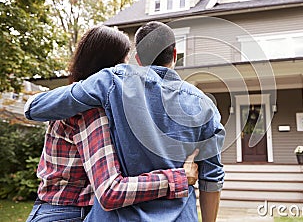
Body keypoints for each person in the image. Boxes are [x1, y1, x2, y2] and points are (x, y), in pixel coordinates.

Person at [25, 22, 225, 222]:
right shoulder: (206, 106)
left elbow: (34, 108)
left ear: (137, 59)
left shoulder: (111, 83)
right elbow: (212, 178)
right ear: (174, 54)